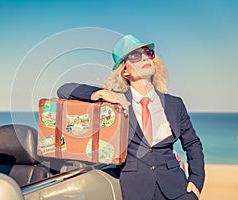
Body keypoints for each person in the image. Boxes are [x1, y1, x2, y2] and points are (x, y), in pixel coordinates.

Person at [57, 34, 205, 200]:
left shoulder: (175, 104)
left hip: (177, 189)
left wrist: (197, 180)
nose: (143, 58)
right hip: (136, 190)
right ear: (124, 70)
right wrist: (100, 93)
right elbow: (64, 90)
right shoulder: (115, 103)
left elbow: (192, 143)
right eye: (135, 56)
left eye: (147, 53)